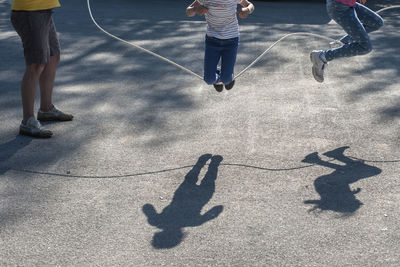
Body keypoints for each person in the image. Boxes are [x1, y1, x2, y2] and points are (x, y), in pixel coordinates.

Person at [10, 0, 73, 138]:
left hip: (43, 10)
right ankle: (28, 120)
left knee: (53, 56)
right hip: (29, 10)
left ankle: (46, 109)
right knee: (36, 64)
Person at [186, 0, 254, 92]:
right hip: (212, 40)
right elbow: (188, 11)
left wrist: (247, 10)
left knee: (227, 80)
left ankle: (228, 74)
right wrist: (195, 9)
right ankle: (218, 76)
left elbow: (250, 5)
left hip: (231, 40)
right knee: (209, 79)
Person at [310, 0, 384, 83]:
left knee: (376, 22)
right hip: (339, 7)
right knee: (366, 47)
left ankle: (341, 43)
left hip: (349, 4)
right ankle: (322, 56)